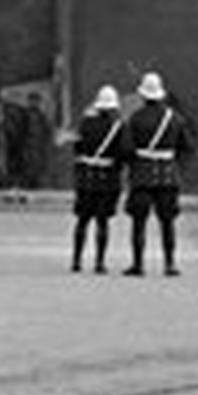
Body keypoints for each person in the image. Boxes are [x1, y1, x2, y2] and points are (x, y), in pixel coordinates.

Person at [122, 72, 196, 277]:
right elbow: (187, 146)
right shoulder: (175, 118)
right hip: (167, 174)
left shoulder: (135, 118)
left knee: (139, 222)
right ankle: (169, 264)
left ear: (144, 95)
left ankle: (138, 264)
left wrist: (134, 164)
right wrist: (174, 162)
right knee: (167, 222)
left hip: (142, 174)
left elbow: (126, 149)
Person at [71, 82, 127, 273]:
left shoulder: (86, 123)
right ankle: (99, 262)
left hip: (86, 176)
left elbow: (77, 148)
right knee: (102, 222)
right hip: (107, 178)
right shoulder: (118, 127)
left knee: (82, 220)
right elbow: (121, 154)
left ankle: (76, 260)